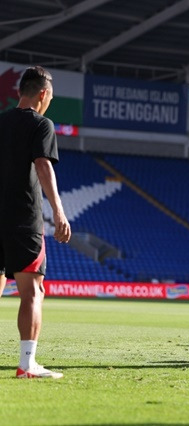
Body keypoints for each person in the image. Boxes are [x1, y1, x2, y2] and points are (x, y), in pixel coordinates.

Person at [0, 66, 71, 379]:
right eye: (50, 96)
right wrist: (58, 211)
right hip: (23, 219)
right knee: (32, 291)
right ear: (43, 94)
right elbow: (42, 165)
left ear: (20, 92)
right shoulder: (42, 124)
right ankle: (27, 364)